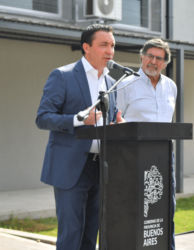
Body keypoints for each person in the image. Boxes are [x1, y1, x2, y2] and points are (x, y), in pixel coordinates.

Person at [36, 24, 124, 250]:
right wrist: (79, 120)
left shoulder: (110, 81)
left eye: (112, 45)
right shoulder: (63, 75)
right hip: (71, 167)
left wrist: (116, 125)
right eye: (104, 45)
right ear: (86, 47)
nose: (110, 51)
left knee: (90, 234)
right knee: (71, 234)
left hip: (100, 166)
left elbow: (106, 119)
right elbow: (43, 117)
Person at [117, 38, 177, 249]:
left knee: (166, 209)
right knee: (135, 211)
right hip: (133, 159)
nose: (153, 61)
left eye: (159, 58)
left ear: (165, 63)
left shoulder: (171, 86)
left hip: (164, 158)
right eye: (150, 56)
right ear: (141, 57)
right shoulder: (126, 84)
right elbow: (117, 122)